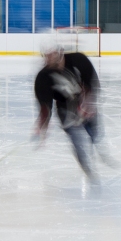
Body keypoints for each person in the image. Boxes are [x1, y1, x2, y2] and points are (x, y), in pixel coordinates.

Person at [34, 46, 105, 181]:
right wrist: (42, 125)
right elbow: (45, 105)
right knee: (77, 141)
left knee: (94, 133)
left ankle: (98, 148)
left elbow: (92, 83)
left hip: (84, 101)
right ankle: (88, 170)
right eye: (46, 55)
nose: (48, 58)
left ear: (59, 52)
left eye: (52, 54)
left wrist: (87, 103)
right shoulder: (43, 77)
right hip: (64, 108)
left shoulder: (78, 59)